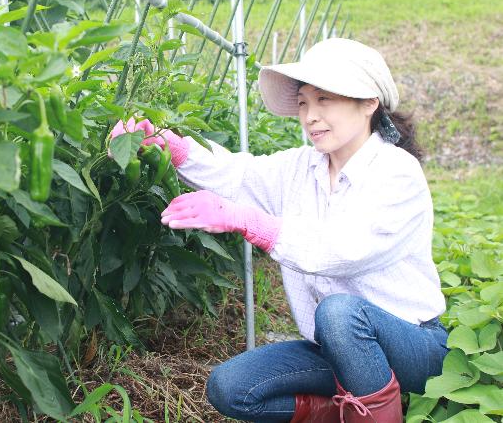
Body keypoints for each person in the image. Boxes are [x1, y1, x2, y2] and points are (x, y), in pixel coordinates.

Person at [108, 38, 448, 422]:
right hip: (334, 348)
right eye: (303, 103)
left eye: (325, 100)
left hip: (413, 345)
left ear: (369, 102)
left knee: (339, 313)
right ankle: (345, 412)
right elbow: (240, 175)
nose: (310, 116)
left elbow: (344, 251)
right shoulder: (303, 167)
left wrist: (249, 221)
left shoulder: (396, 172)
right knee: (232, 387)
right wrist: (171, 146)